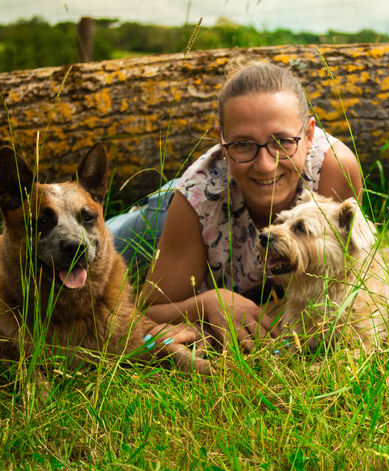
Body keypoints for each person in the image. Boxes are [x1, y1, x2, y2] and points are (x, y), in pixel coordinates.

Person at [108, 62, 363, 348]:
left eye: (282, 141)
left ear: (309, 135)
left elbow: (339, 282)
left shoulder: (335, 168)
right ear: (221, 141)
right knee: (86, 239)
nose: (265, 165)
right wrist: (208, 303)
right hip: (169, 214)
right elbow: (149, 310)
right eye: (242, 144)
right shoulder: (195, 197)